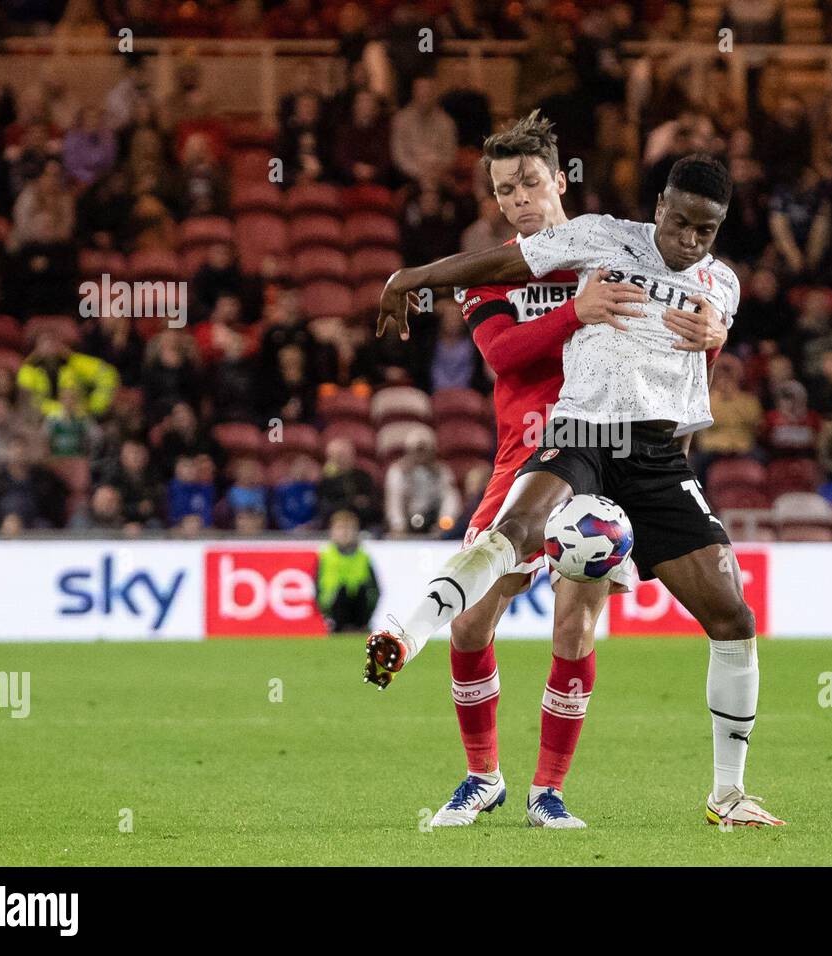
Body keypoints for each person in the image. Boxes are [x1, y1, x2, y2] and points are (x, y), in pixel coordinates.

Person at [371, 150, 784, 829]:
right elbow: (497, 265)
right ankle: (403, 634)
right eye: (678, 224)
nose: (687, 241)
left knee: (732, 617)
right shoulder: (604, 236)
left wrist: (720, 329)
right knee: (515, 532)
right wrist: (409, 279)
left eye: (703, 231)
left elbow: (717, 330)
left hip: (655, 460)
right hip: (582, 434)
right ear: (657, 210)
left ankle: (727, 796)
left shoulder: (723, 284)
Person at [315, 510, 380, 635]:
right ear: (332, 532)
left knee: (361, 591)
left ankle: (360, 625)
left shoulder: (363, 557)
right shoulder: (325, 556)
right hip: (335, 612)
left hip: (360, 610)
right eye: (340, 528)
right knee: (341, 592)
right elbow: (317, 590)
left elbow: (375, 590)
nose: (345, 533)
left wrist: (368, 615)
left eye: (349, 528)